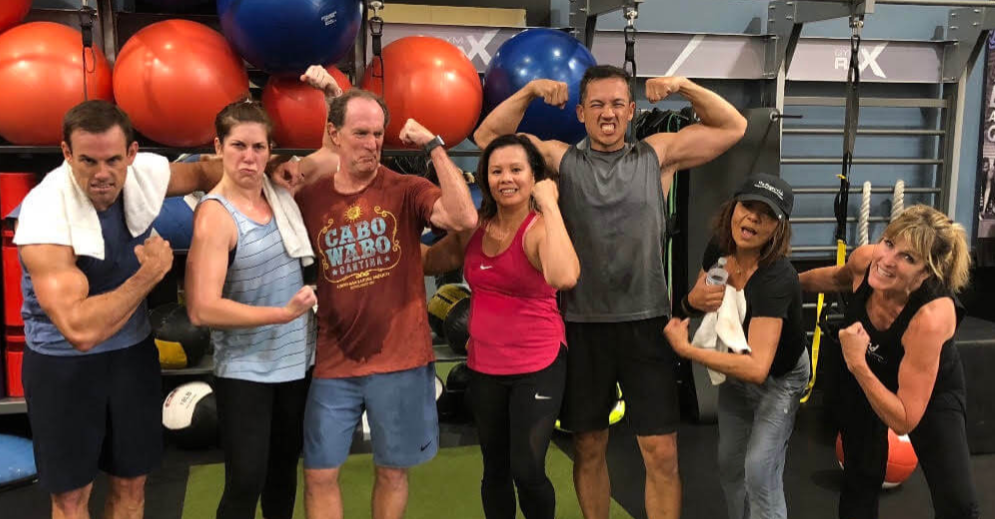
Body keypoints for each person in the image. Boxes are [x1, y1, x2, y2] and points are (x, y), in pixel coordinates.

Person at [473, 65, 747, 519]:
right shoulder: (560, 159)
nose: (608, 113)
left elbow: (733, 127)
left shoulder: (657, 155)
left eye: (618, 104)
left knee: (661, 452)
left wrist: (683, 86)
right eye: (597, 104)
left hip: (647, 325)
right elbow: (488, 139)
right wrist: (529, 90)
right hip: (581, 325)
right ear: (581, 112)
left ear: (632, 111)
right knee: (589, 447)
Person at [11, 99, 244, 519]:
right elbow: (80, 331)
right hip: (63, 366)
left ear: (132, 154)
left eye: (113, 160)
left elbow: (206, 171)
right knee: (71, 498)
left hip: (131, 358)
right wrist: (149, 274)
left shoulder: (144, 176)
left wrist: (270, 170)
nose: (102, 173)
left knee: (132, 485)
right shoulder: (44, 214)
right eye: (88, 160)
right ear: (67, 154)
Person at [275, 67, 479, 519]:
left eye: (377, 134)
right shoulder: (310, 197)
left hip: (402, 359)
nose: (371, 143)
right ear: (336, 135)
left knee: (391, 473)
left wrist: (434, 146)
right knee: (319, 473)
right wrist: (329, 97)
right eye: (360, 133)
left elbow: (464, 218)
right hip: (335, 360)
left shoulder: (406, 189)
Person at [421, 134, 580, 519]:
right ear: (486, 178)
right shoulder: (475, 228)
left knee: (527, 469)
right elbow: (428, 262)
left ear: (534, 176)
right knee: (494, 469)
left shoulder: (539, 229)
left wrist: (550, 204)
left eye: (516, 170)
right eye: (496, 171)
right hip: (485, 366)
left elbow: (564, 277)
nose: (506, 178)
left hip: (537, 365)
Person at [799, 204, 979, 519]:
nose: (886, 260)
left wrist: (857, 363)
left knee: (957, 502)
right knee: (860, 479)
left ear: (927, 272)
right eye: (889, 243)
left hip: (927, 390)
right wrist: (784, 280)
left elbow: (904, 419)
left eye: (908, 258)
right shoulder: (866, 260)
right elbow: (835, 278)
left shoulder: (932, 317)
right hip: (869, 369)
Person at [184, 100, 318, 519]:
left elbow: (335, 153)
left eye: (259, 147)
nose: (249, 157)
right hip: (246, 371)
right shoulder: (216, 215)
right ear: (218, 147)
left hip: (296, 364)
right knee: (245, 482)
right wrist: (281, 314)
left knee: (282, 476)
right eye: (238, 146)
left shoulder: (280, 194)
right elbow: (202, 309)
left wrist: (331, 92)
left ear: (270, 150)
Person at [663, 174, 809, 519]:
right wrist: (690, 302)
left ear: (779, 228)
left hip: (779, 378)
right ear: (733, 207)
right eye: (748, 206)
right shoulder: (720, 248)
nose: (753, 218)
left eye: (767, 214)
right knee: (730, 464)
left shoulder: (775, 278)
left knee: (759, 471)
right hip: (737, 366)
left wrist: (688, 351)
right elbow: (700, 299)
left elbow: (758, 368)